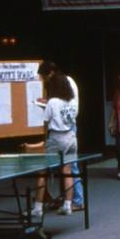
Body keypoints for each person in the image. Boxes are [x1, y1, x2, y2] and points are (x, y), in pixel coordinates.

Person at [38, 61, 84, 210]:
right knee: (67, 167)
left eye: (45, 77)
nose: (46, 81)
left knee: (68, 168)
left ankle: (76, 200)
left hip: (63, 130)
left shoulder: (65, 83)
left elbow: (50, 117)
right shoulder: (62, 91)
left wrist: (51, 106)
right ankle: (68, 200)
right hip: (69, 131)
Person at [31, 73, 77, 217]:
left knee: (43, 172)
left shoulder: (52, 102)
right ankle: (68, 205)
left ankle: (38, 207)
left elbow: (46, 121)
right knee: (67, 170)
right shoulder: (70, 101)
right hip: (71, 137)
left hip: (56, 138)